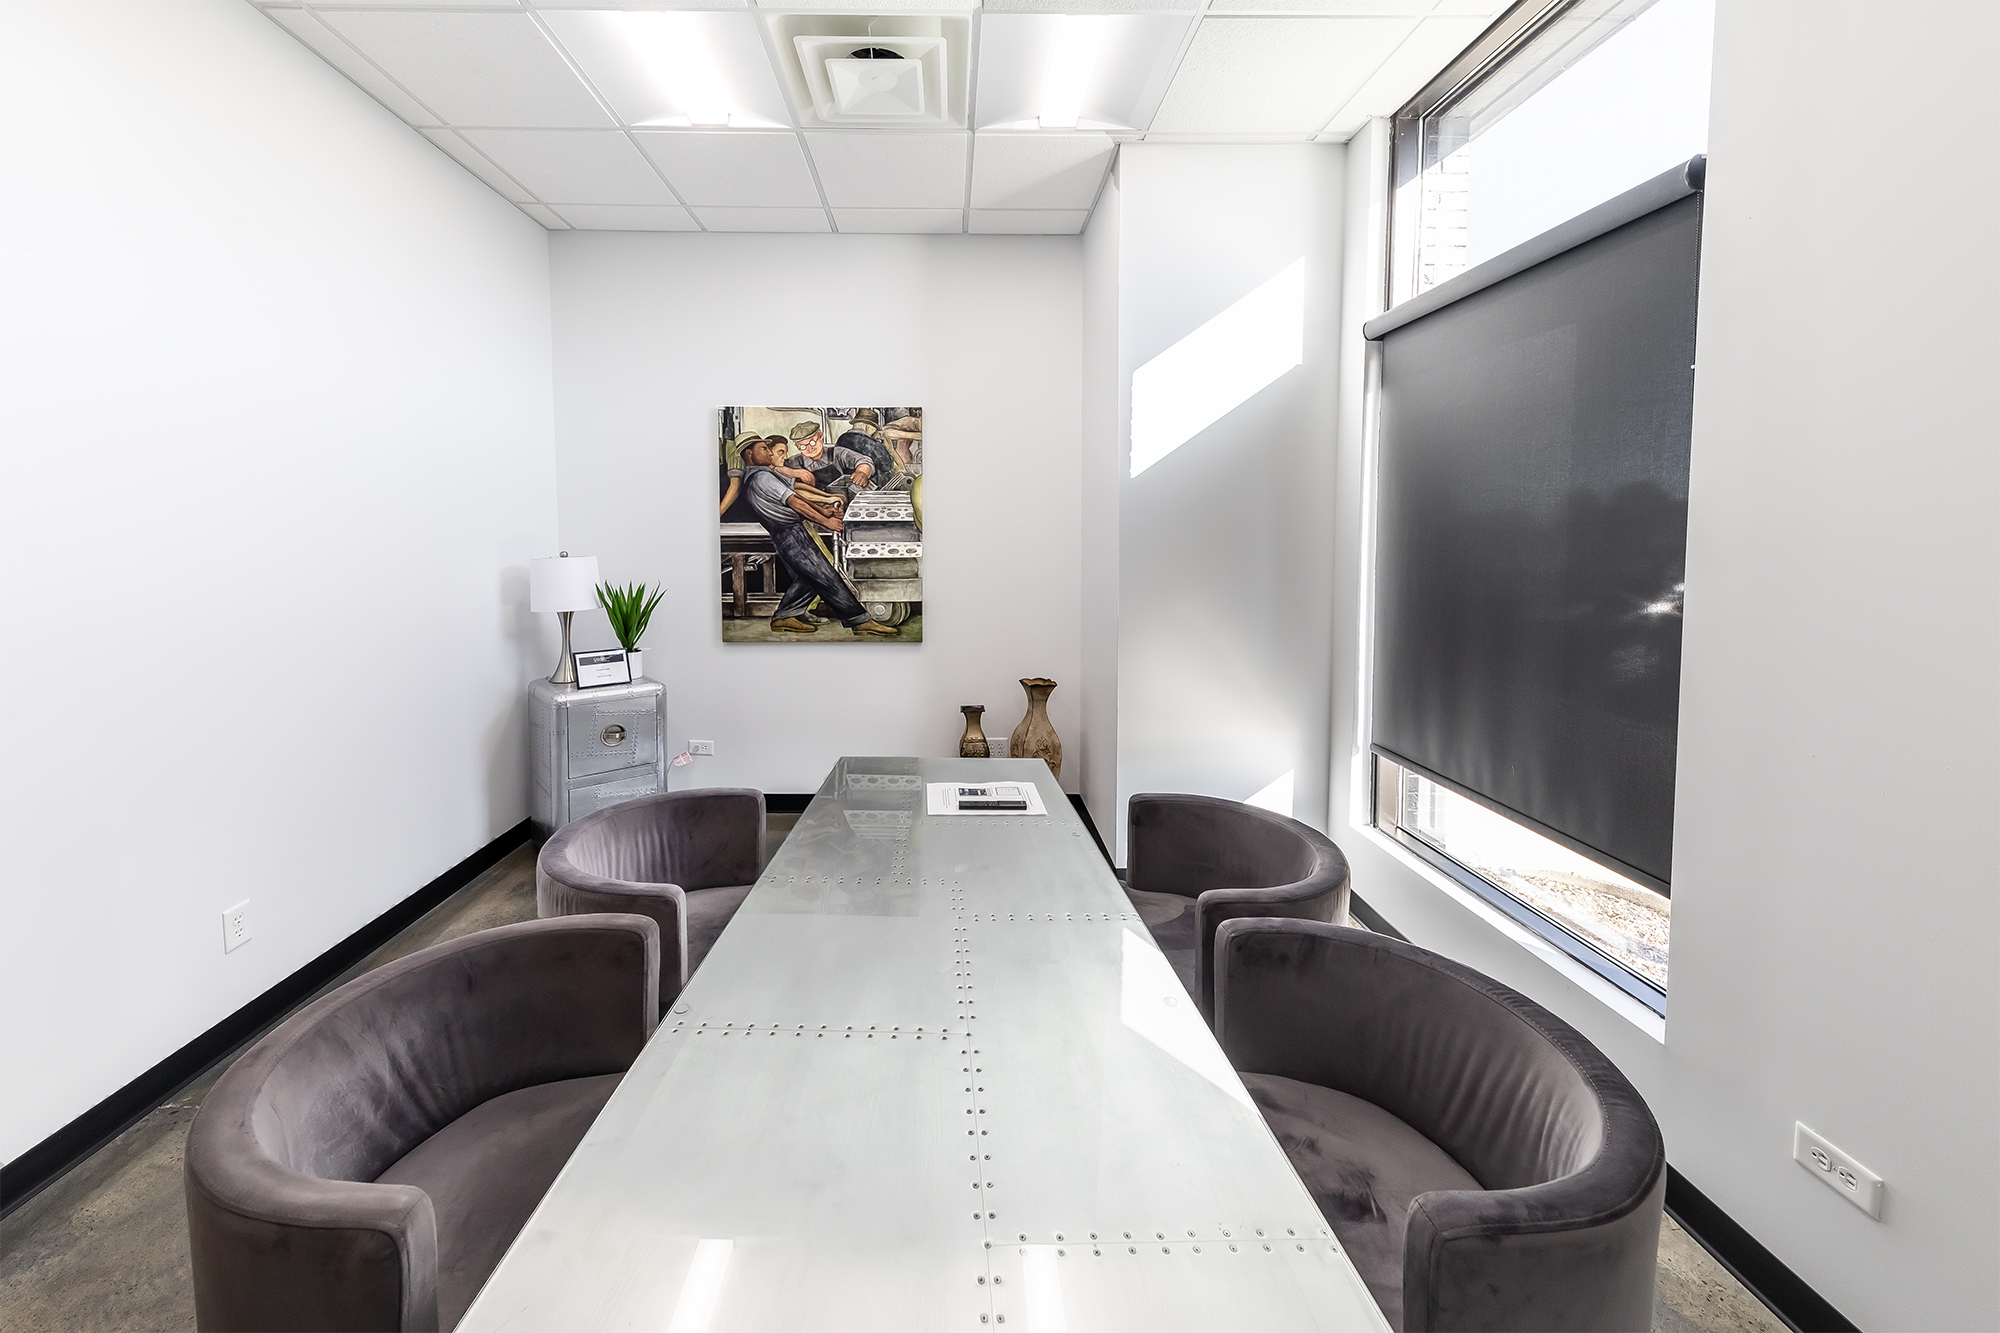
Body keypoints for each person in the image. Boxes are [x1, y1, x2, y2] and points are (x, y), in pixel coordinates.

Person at [738, 437, 898, 637]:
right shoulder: (762, 478)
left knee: (810, 577)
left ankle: (786, 615)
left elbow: (798, 490)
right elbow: (796, 502)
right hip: (789, 533)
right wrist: (826, 520)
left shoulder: (765, 474)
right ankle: (859, 620)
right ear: (749, 454)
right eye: (764, 449)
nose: (770, 453)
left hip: (790, 531)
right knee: (825, 575)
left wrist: (827, 507)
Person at [783, 420, 875, 495]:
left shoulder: (837, 453)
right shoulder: (794, 462)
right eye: (803, 446)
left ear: (820, 436)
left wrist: (862, 472)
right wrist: (793, 472)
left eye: (812, 442)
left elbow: (863, 460)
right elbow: (772, 469)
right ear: (797, 447)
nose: (809, 448)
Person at [833, 409, 902, 490]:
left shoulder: (841, 438)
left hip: (846, 485)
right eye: (874, 428)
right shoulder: (872, 444)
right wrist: (888, 446)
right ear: (868, 427)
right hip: (871, 488)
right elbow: (887, 465)